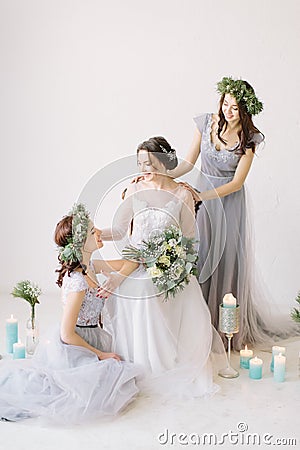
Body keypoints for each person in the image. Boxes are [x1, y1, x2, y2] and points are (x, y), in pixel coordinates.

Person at [167, 76, 292, 349]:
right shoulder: (206, 123)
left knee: (227, 258)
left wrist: (202, 195)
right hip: (203, 202)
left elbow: (237, 182)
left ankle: (225, 329)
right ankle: (197, 326)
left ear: (245, 110)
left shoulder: (249, 138)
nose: (228, 110)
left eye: (235, 107)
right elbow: (188, 163)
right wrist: (164, 173)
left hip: (229, 202)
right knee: (200, 255)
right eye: (225, 104)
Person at [100, 137, 227, 399]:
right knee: (138, 289)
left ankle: (164, 363)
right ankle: (142, 363)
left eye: (150, 162)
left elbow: (191, 239)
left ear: (164, 161)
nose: (145, 168)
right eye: (140, 163)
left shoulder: (182, 193)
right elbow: (122, 229)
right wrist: (98, 233)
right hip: (137, 264)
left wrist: (174, 266)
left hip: (169, 267)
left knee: (149, 290)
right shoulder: (134, 189)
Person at [0, 204, 141, 424]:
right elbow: (67, 334)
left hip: (92, 336)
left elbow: (132, 261)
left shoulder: (91, 265)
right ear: (80, 243)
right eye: (93, 231)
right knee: (95, 392)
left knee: (117, 383)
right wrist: (100, 354)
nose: (99, 233)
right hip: (75, 346)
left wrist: (116, 278)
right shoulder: (77, 282)